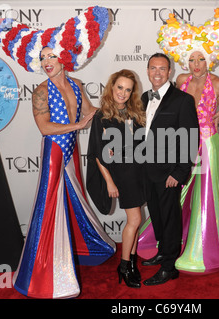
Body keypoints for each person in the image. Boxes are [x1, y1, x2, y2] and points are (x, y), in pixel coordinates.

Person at [0, 7, 116, 298]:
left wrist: (118, 111)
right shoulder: (40, 91)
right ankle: (43, 273)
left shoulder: (76, 85)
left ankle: (84, 246)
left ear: (65, 57)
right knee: (48, 209)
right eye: (43, 57)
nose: (47, 61)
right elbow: (45, 128)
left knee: (73, 200)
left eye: (52, 56)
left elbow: (90, 112)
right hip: (54, 154)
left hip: (71, 151)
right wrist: (78, 123)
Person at [138, 9, 219, 274]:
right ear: (184, 61)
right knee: (176, 194)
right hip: (181, 143)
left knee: (205, 195)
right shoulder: (180, 80)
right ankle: (168, 245)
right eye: (191, 59)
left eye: (201, 59)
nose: (196, 64)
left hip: (207, 142)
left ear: (209, 59)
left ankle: (204, 249)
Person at [140, 53, 199, 286]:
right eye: (153, 68)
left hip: (168, 173)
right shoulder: (144, 97)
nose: (157, 73)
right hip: (146, 170)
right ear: (147, 71)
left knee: (170, 217)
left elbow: (190, 138)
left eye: (162, 69)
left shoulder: (182, 100)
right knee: (156, 215)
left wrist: (179, 172)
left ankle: (169, 268)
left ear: (170, 72)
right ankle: (163, 252)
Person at [87, 70, 146, 288]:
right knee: (135, 220)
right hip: (123, 173)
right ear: (112, 87)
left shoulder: (135, 113)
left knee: (137, 220)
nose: (123, 93)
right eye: (120, 87)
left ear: (132, 93)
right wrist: (110, 181)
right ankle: (124, 265)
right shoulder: (101, 116)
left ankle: (131, 263)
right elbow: (96, 153)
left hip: (138, 170)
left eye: (128, 89)